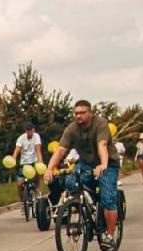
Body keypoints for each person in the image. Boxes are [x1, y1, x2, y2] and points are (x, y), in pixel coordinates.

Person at [44, 100, 121, 242]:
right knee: (70, 181)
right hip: (86, 164)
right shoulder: (72, 129)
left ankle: (109, 235)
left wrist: (103, 164)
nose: (78, 116)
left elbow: (102, 144)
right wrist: (49, 169)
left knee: (108, 198)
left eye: (82, 113)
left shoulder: (100, 124)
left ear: (90, 113)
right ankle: (83, 208)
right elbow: (61, 150)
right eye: (76, 113)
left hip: (108, 164)